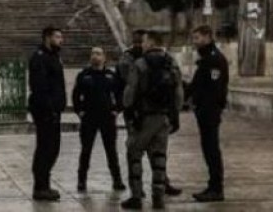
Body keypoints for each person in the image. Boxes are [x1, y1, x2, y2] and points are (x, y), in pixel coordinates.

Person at [120, 29, 183, 210]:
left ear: (151, 43)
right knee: (159, 157)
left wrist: (128, 109)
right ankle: (158, 197)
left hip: (144, 117)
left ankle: (137, 196)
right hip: (163, 117)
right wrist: (174, 114)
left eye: (145, 41)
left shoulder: (140, 64)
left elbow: (130, 93)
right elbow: (179, 92)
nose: (142, 44)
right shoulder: (171, 62)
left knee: (134, 154)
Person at [72, 46, 124, 193]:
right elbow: (76, 95)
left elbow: (120, 94)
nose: (95, 56)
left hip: (107, 117)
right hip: (89, 117)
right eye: (93, 54)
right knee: (86, 150)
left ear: (104, 57)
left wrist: (117, 110)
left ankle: (117, 180)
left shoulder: (111, 75)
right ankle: (81, 181)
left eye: (98, 54)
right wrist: (79, 111)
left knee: (111, 150)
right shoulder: (83, 75)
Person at [188, 25, 229, 202]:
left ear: (207, 37)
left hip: (209, 112)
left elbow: (215, 89)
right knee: (208, 149)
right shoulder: (207, 58)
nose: (195, 42)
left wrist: (206, 107)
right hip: (204, 110)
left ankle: (216, 188)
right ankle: (213, 186)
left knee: (212, 149)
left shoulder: (214, 59)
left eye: (197, 38)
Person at [28, 26, 66, 202]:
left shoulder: (53, 57)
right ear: (47, 38)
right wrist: (49, 108)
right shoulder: (40, 58)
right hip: (45, 111)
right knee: (46, 148)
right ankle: (40, 187)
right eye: (57, 37)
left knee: (53, 148)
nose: (61, 40)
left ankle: (44, 184)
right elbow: (40, 87)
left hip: (54, 110)